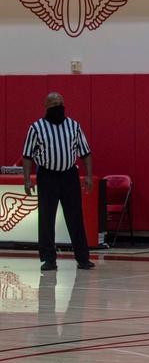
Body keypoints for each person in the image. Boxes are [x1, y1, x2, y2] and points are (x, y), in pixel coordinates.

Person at [21, 93, 95, 272]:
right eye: (55, 104)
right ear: (46, 107)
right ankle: (49, 259)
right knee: (47, 219)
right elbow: (27, 156)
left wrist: (89, 176)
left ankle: (83, 258)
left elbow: (85, 153)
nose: (59, 106)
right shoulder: (36, 128)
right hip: (47, 176)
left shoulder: (74, 126)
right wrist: (27, 180)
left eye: (61, 103)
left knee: (75, 217)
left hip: (69, 175)